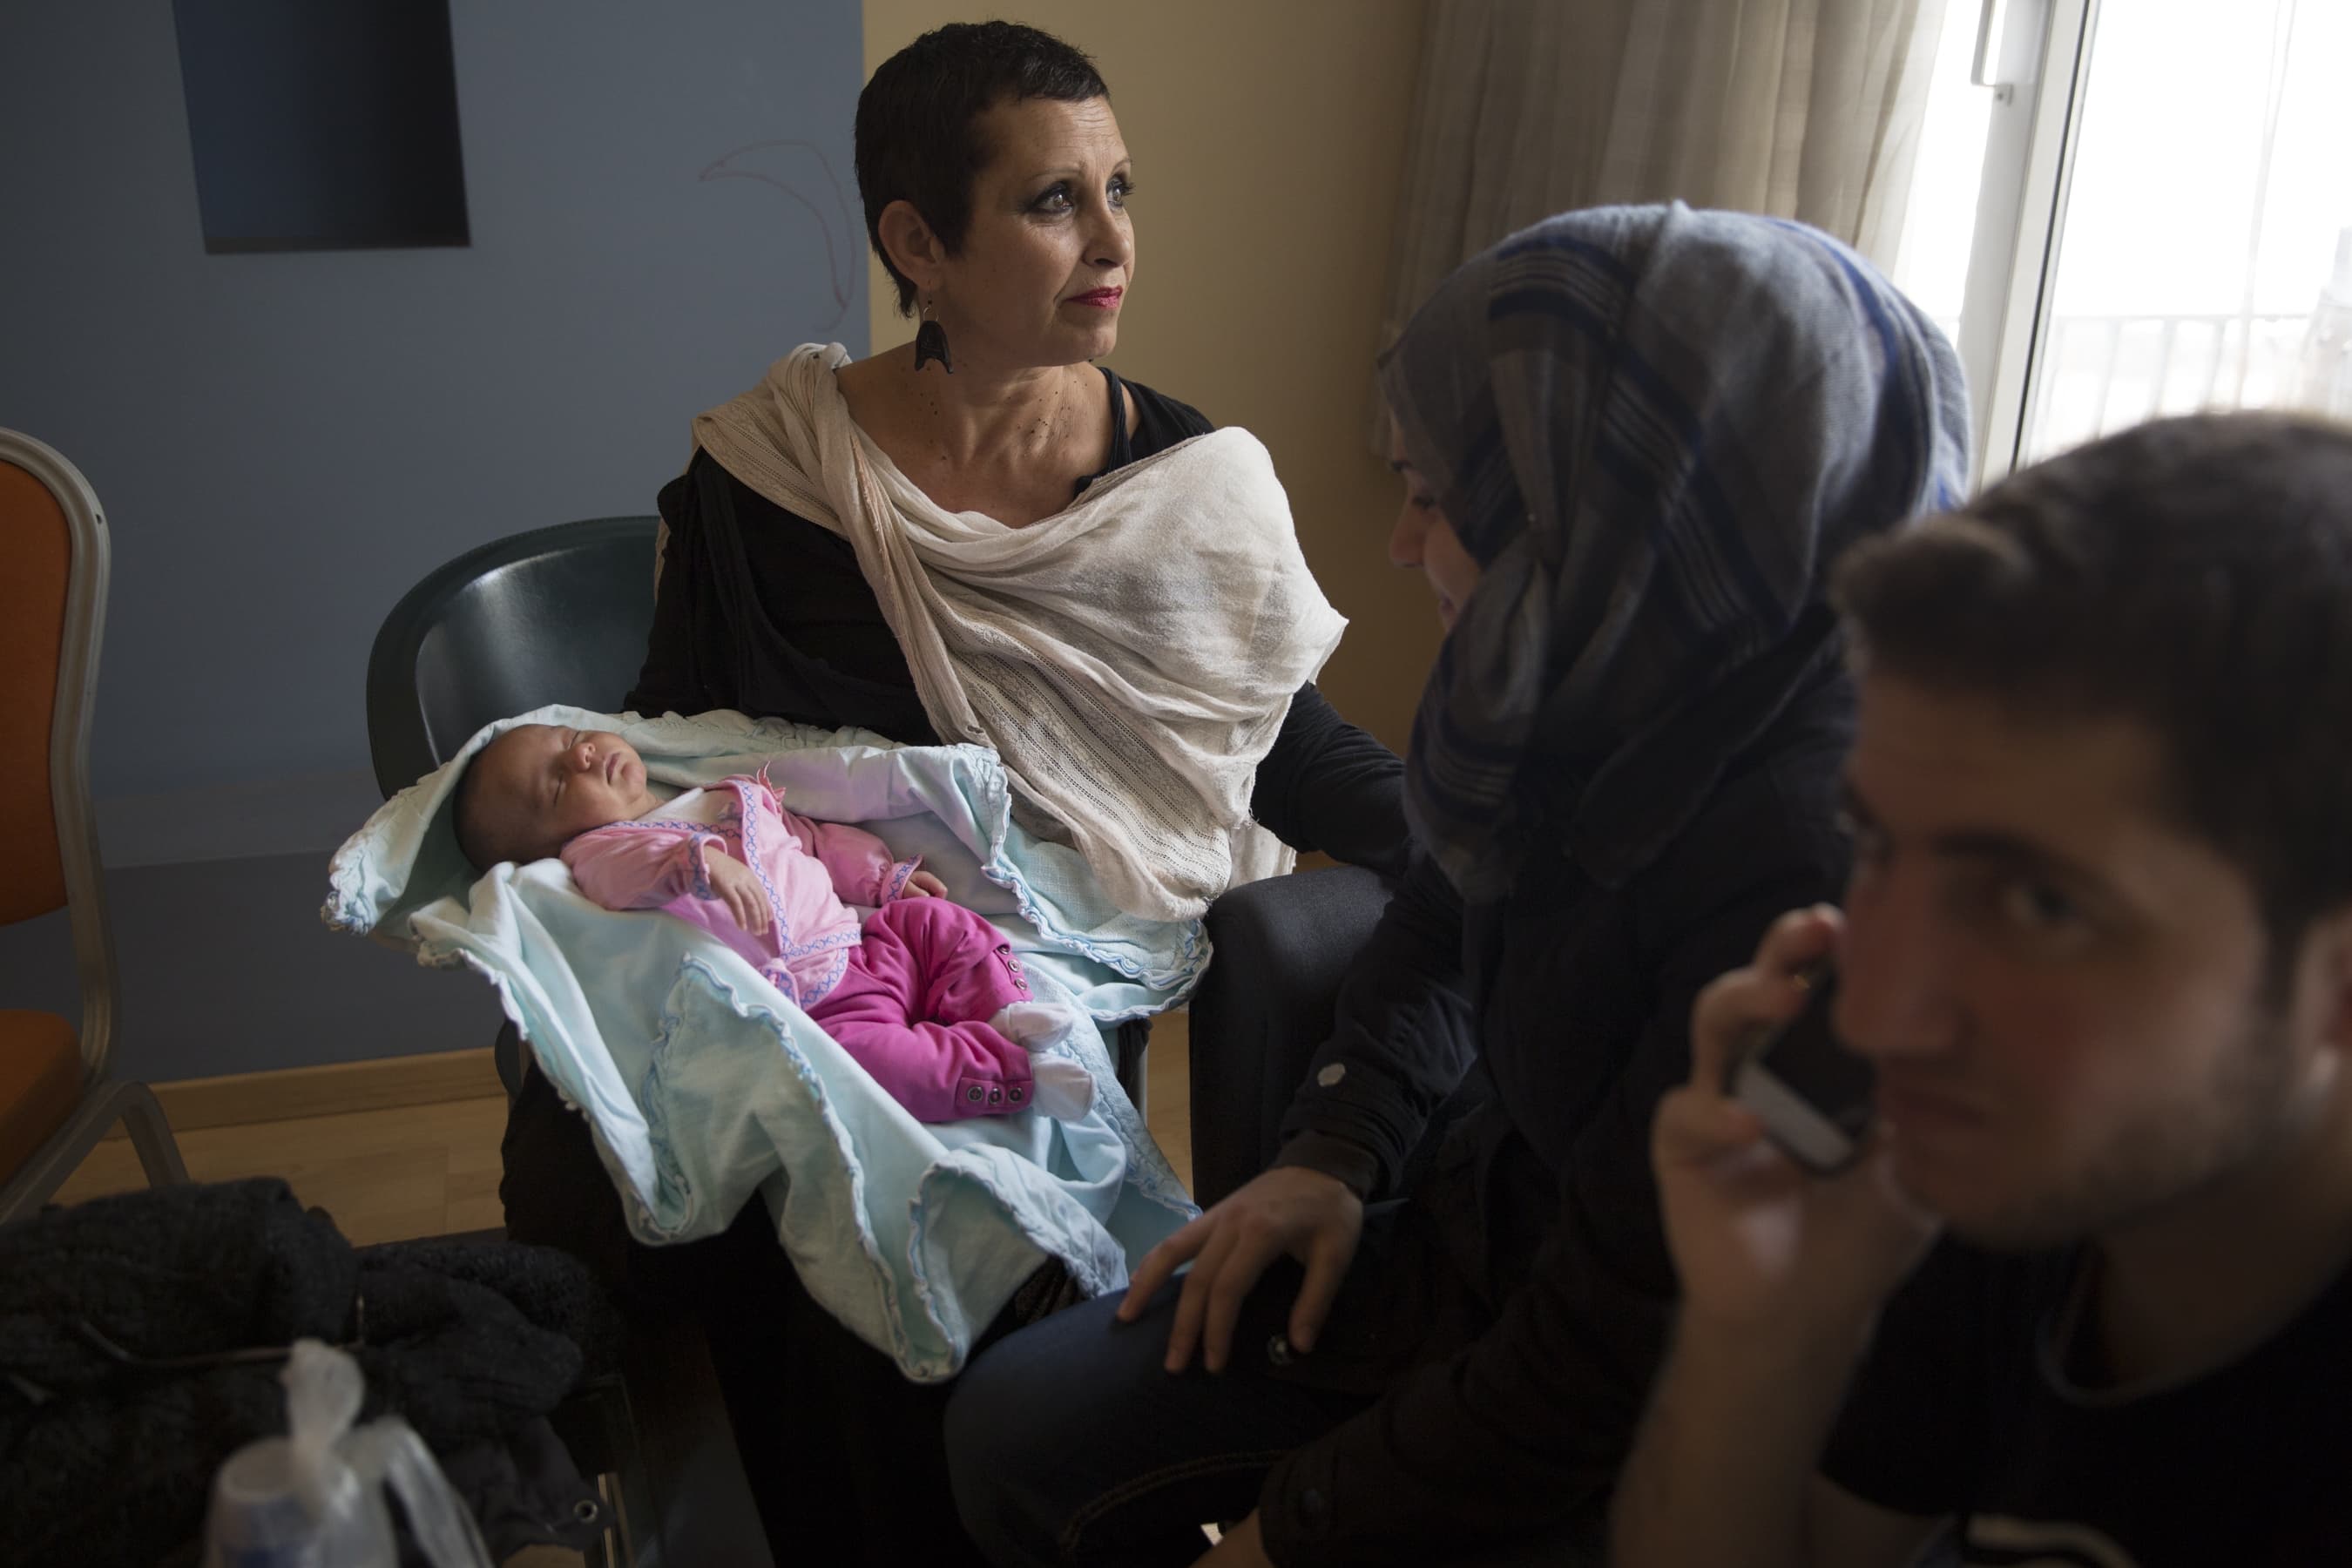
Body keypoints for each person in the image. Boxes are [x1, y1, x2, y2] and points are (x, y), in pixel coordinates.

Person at [942, 202, 1971, 1567]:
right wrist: (1335, 1151)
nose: (1399, 539)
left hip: (1648, 1414)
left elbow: (1608, 1359)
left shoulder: (1813, 872)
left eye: (1437, 496)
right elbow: (1444, 904)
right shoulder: (1611, 660)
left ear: (1611, 503)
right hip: (1492, 1246)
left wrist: (1288, 1535)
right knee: (1015, 1428)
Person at [496, 23, 1405, 1565]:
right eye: (1055, 202)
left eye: (1121, 191)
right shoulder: (776, 480)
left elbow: (1279, 741)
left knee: (912, 1207)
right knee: (739, 1174)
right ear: (918, 243)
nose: (1113, 241)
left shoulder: (1184, 485)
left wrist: (1480, 837)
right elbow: (674, 749)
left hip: (1035, 982)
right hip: (787, 951)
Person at [1613, 411, 2352, 1568]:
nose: (1874, 1018)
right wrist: (1767, 1334)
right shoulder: (1999, 1196)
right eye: (1875, 848)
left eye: (2042, 905)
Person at [452, 721, 1093, 1123]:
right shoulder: (601, 851)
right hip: (816, 1004)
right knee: (873, 1067)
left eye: (570, 740)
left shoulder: (723, 797)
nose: (584, 757)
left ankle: (1004, 1012)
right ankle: (1012, 1075)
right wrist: (696, 861)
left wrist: (882, 880)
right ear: (554, 842)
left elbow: (809, 840)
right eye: (558, 785)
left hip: (863, 944)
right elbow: (625, 877)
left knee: (942, 923)